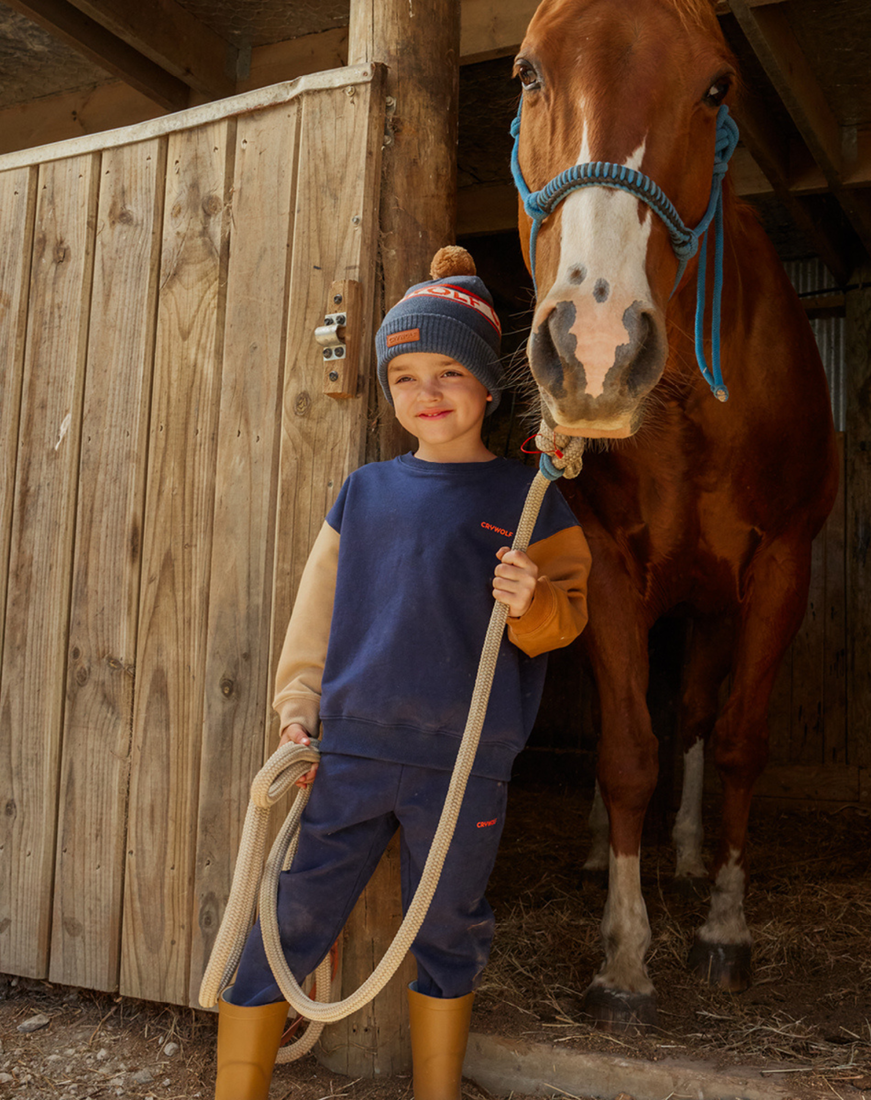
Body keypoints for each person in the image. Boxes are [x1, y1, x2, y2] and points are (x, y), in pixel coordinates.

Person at [213, 246, 591, 1100]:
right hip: (350, 753)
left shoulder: (530, 497)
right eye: (406, 377)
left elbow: (566, 618)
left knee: (449, 926)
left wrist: (532, 600)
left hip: (464, 764)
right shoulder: (365, 492)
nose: (428, 392)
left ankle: (436, 1090)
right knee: (292, 915)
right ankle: (236, 1089)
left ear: (488, 387)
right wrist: (297, 707)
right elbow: (316, 612)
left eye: (450, 371)